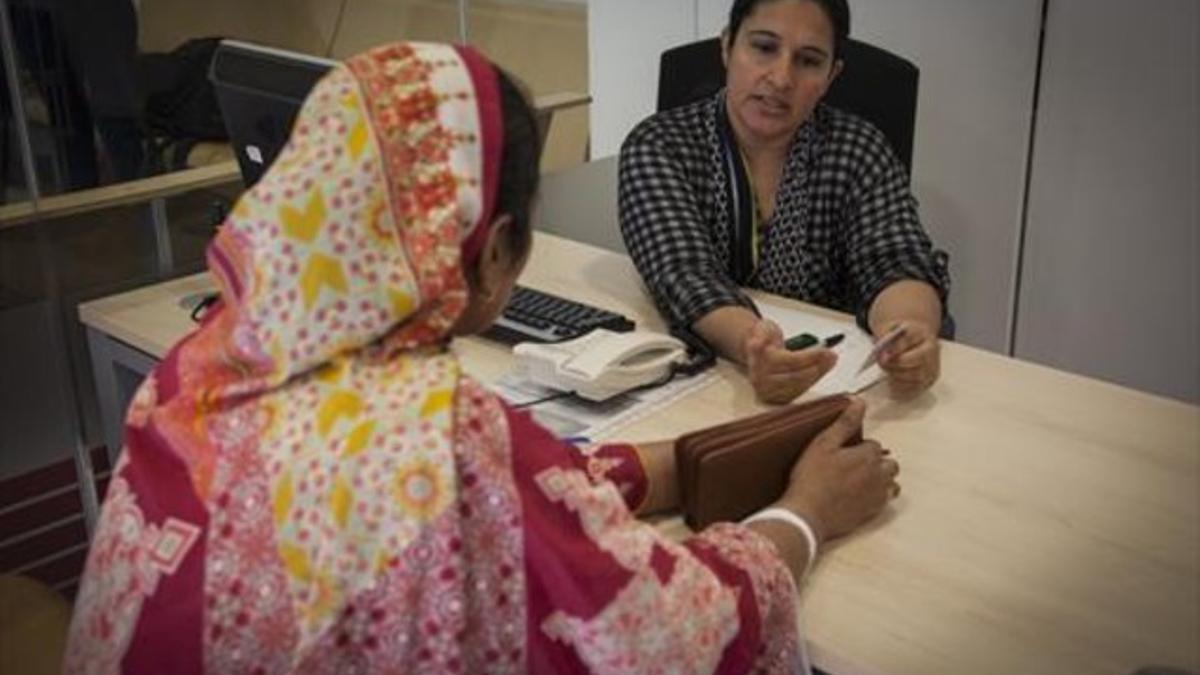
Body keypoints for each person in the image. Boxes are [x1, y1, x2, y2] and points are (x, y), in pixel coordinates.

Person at [64, 41, 900, 673]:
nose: (781, 75)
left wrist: (679, 465)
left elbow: (501, 498)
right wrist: (804, 512)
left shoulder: (203, 359)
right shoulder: (434, 445)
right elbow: (671, 635)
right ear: (496, 249)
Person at [619, 0, 951, 404]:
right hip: (710, 386)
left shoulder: (859, 149)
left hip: (844, 391)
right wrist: (756, 348)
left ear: (832, 75)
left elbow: (896, 258)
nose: (780, 78)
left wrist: (910, 331)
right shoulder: (658, 146)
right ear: (727, 47)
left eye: (809, 61)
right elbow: (685, 273)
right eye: (763, 47)